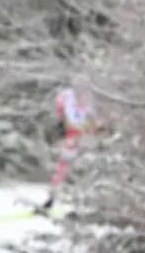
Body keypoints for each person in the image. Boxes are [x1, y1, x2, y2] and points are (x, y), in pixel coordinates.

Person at [40, 75, 107, 211]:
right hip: (73, 135)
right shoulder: (67, 98)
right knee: (64, 165)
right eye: (79, 90)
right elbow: (68, 117)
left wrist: (95, 129)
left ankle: (89, 199)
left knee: (88, 164)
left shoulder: (90, 101)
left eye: (84, 91)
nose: (82, 94)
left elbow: (92, 120)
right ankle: (52, 197)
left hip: (83, 136)